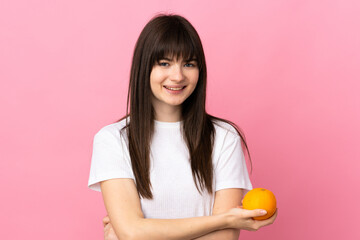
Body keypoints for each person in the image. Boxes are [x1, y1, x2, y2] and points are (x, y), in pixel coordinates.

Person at [88, 13, 277, 240]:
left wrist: (141, 232)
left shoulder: (225, 138)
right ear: (144, 68)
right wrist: (224, 219)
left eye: (189, 64)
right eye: (164, 63)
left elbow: (222, 239)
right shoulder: (112, 140)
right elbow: (132, 233)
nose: (177, 76)